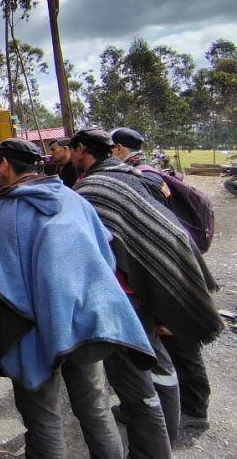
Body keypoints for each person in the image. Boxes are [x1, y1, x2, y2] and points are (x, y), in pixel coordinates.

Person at [0, 139, 154, 459]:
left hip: (32, 333)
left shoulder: (2, 212)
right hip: (83, 325)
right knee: (96, 410)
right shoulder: (74, 199)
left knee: (44, 419)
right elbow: (105, 258)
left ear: (5, 165)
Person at [71, 128, 222, 455]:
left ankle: (182, 420)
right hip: (162, 274)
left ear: (82, 149)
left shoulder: (95, 187)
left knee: (161, 360)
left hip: (139, 287)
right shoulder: (132, 175)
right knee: (163, 359)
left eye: (71, 149)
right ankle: (169, 428)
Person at [111, 126, 212, 431]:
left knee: (180, 341)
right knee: (166, 342)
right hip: (162, 267)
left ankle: (195, 410)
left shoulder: (145, 179)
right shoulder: (147, 173)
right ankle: (171, 403)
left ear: (118, 149)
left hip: (167, 269)